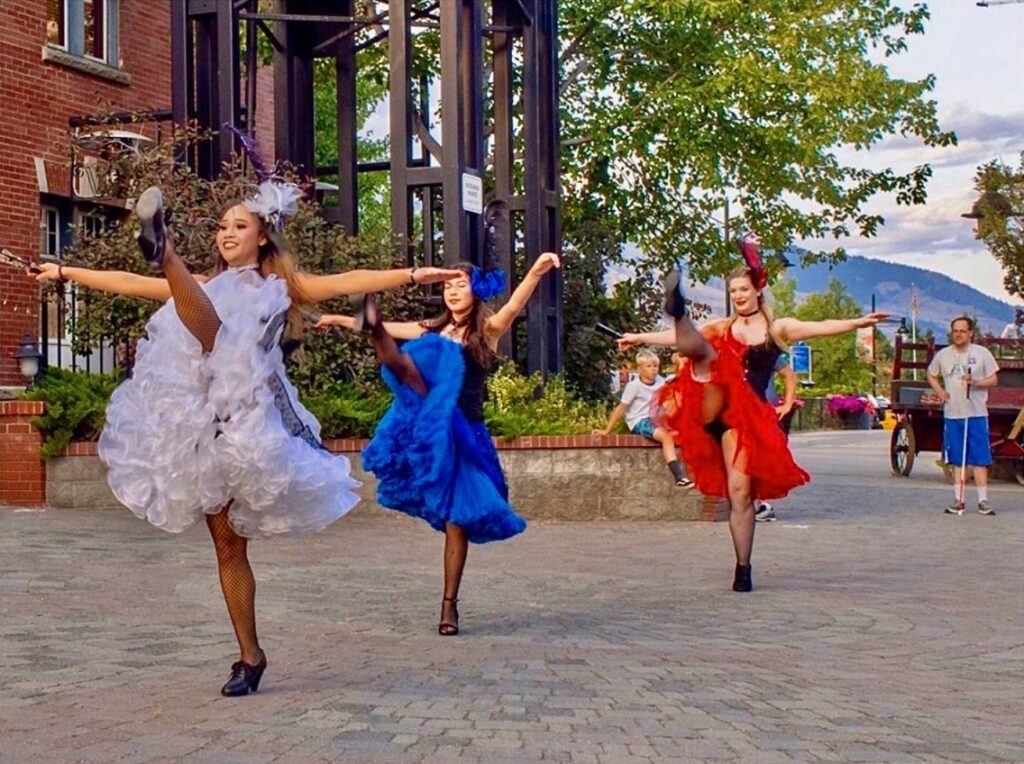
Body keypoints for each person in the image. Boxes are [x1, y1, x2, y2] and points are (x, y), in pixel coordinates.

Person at [33, 184, 460, 695]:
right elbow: (126, 283)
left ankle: (163, 250)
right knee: (228, 547)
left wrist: (415, 274)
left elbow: (350, 279)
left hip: (251, 414)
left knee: (209, 324)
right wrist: (60, 271)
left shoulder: (280, 287)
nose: (227, 233)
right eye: (222, 226)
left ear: (262, 238)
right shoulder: (206, 284)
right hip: (203, 417)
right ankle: (249, 656)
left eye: (239, 225)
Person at [317, 252, 561, 635]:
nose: (452, 292)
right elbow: (402, 328)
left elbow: (514, 304)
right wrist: (338, 319)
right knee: (406, 361)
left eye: (460, 285)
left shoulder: (488, 331)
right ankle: (374, 325)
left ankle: (449, 605)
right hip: (430, 423)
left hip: (465, 435)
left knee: (456, 524)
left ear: (476, 291)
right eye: (447, 286)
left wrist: (535, 270)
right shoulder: (433, 328)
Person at [619, 262, 886, 592]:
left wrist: (857, 322)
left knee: (740, 493)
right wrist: (640, 337)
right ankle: (678, 310)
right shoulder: (724, 325)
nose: (738, 295)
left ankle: (743, 567)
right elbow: (676, 339)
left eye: (743, 289)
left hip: (746, 419)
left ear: (758, 290)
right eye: (733, 291)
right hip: (713, 403)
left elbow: (819, 326)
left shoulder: (778, 328)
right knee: (703, 349)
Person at [926, 316, 1000, 516]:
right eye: (955, 331)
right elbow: (931, 373)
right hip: (953, 414)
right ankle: (959, 499)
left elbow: (994, 379)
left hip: (975, 413)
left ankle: (983, 500)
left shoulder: (981, 354)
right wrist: (940, 392)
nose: (958, 334)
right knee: (958, 459)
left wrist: (976, 382)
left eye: (962, 331)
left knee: (979, 458)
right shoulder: (944, 355)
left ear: (970, 333)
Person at [594, 349, 693, 487]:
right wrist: (607, 430)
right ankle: (679, 477)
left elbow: (678, 380)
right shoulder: (634, 386)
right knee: (666, 437)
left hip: (656, 417)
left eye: (655, 366)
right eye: (649, 366)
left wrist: (680, 364)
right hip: (639, 420)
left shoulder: (659, 380)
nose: (653, 370)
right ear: (640, 369)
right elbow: (621, 408)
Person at [755, 355, 797, 522]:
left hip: (765, 411)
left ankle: (758, 502)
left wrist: (787, 404)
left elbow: (789, 374)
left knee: (761, 457)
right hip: (740, 412)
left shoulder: (765, 351)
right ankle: (752, 503)